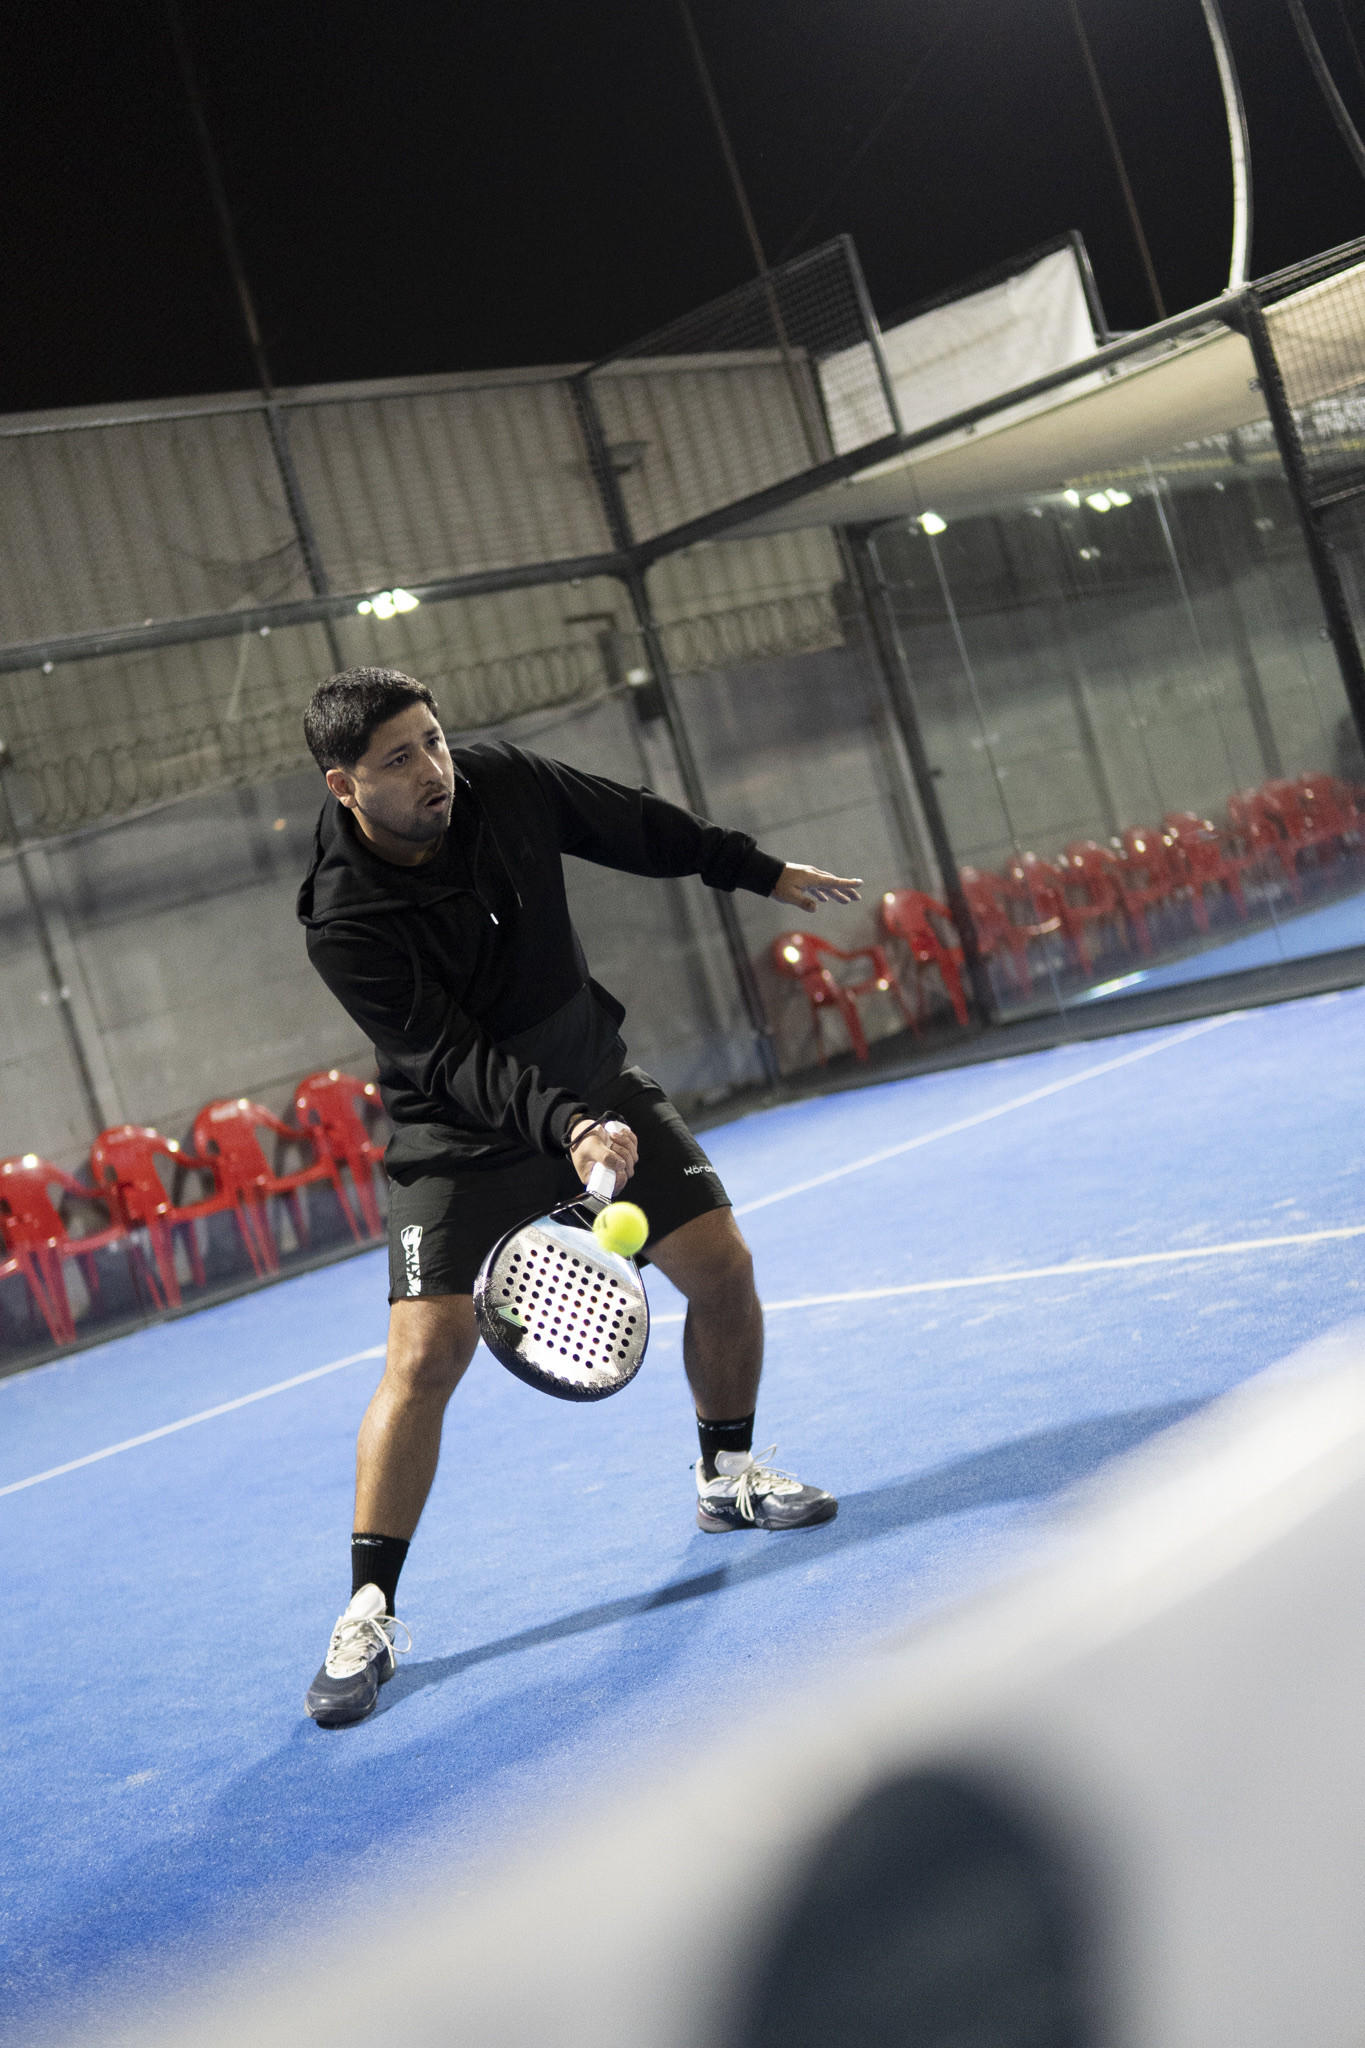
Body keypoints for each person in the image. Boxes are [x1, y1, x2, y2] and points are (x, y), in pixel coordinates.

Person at [296, 667, 863, 1727]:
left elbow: (629, 823)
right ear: (344, 784)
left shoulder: (502, 783)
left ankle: (726, 1473)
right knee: (425, 1357)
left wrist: (755, 869)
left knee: (722, 1267)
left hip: (591, 1077)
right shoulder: (344, 919)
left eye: (433, 739)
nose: (433, 769)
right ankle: (368, 1608)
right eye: (399, 759)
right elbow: (450, 1057)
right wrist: (564, 1129)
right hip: (459, 1133)